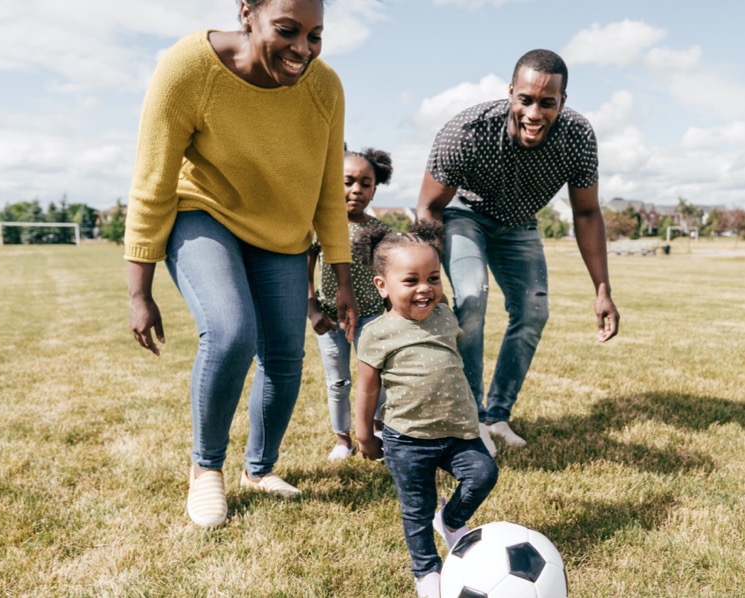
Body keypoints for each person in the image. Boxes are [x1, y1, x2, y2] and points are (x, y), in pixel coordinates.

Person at [125, 0, 356, 529]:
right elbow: (153, 179)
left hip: (282, 231)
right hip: (203, 211)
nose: (303, 49)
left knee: (283, 355)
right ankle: (206, 469)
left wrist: (341, 277)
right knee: (231, 333)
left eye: (315, 35)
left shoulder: (325, 88)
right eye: (288, 30)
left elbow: (327, 190)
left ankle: (260, 468)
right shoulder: (190, 67)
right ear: (247, 12)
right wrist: (139, 289)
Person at [416, 49, 620, 455]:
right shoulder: (468, 131)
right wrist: (429, 277)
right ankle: (470, 419)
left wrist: (602, 289)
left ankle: (497, 416)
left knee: (533, 312)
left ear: (563, 100)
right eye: (525, 100)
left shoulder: (577, 137)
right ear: (511, 93)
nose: (534, 113)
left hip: (520, 222)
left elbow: (586, 211)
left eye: (547, 103)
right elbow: (428, 207)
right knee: (471, 298)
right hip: (464, 215)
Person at [353, 221, 498, 598]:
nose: (425, 288)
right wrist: (365, 434)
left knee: (483, 474)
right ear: (382, 286)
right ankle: (426, 570)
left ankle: (451, 521)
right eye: (411, 280)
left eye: (433, 278)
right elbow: (366, 388)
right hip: (407, 439)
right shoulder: (377, 332)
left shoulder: (445, 316)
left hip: (457, 431)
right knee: (416, 509)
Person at [307, 147, 392, 461]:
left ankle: (377, 428)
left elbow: (392, 273)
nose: (356, 190)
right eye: (347, 181)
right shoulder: (320, 225)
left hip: (371, 318)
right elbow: (306, 268)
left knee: (378, 375)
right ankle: (343, 438)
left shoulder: (380, 231)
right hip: (330, 321)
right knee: (338, 381)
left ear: (374, 188)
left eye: (365, 183)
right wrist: (312, 308)